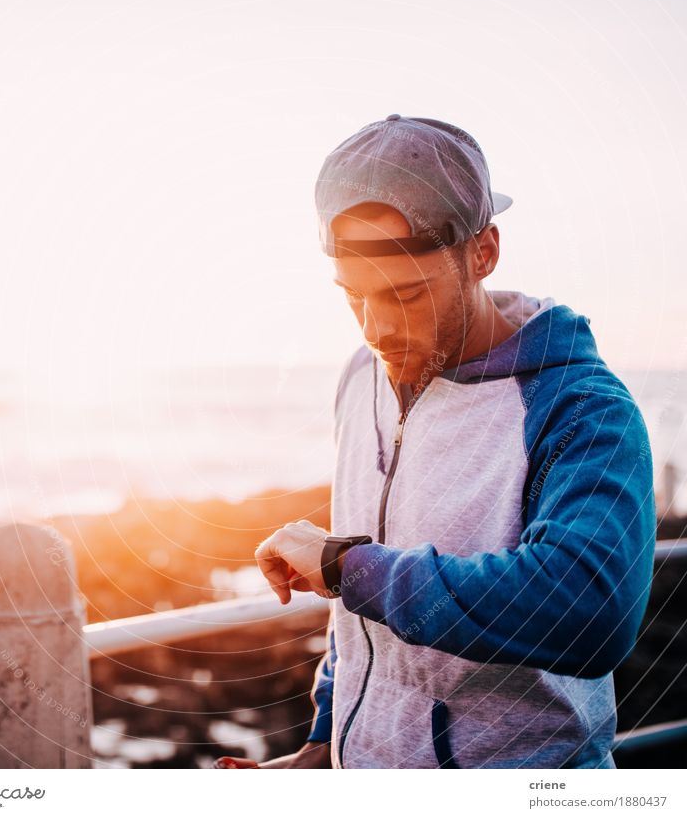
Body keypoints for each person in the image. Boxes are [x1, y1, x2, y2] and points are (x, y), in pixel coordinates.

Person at [246, 114, 655, 769]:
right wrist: (323, 744)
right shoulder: (361, 377)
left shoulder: (582, 410)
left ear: (484, 251)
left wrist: (345, 566)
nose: (377, 329)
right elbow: (359, 603)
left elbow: (591, 608)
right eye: (354, 297)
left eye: (406, 293)